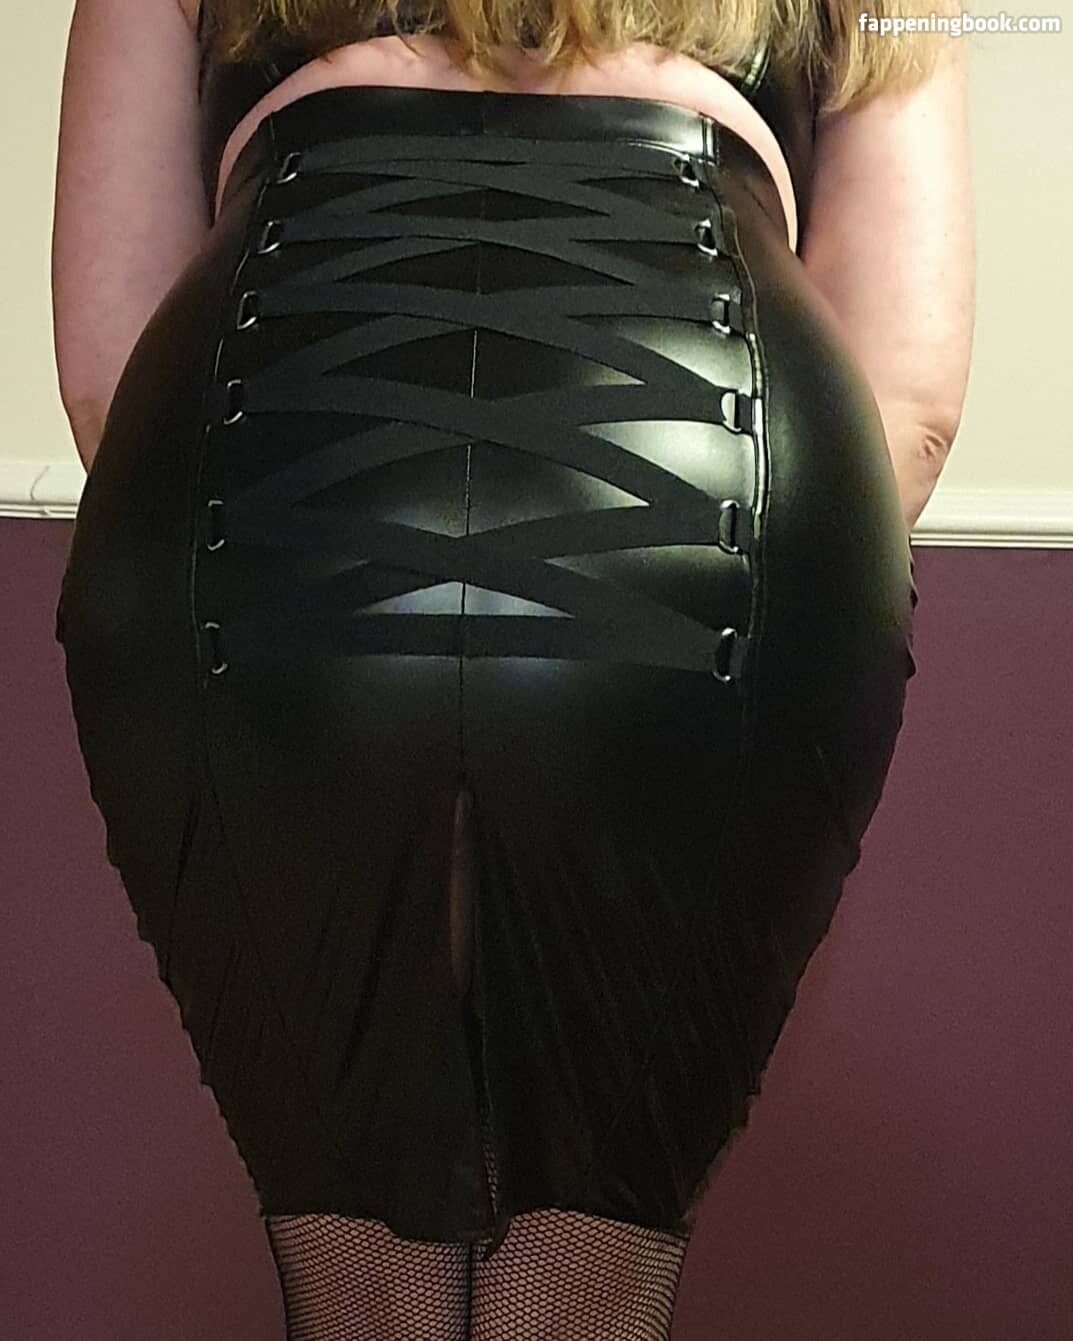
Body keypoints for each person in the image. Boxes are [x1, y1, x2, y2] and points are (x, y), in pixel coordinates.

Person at [51, 0, 973, 1336]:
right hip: (698, 511)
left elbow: (109, 376)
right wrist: (776, 598)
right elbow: (908, 404)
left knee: (354, 1254)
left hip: (281, 502)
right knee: (593, 1263)